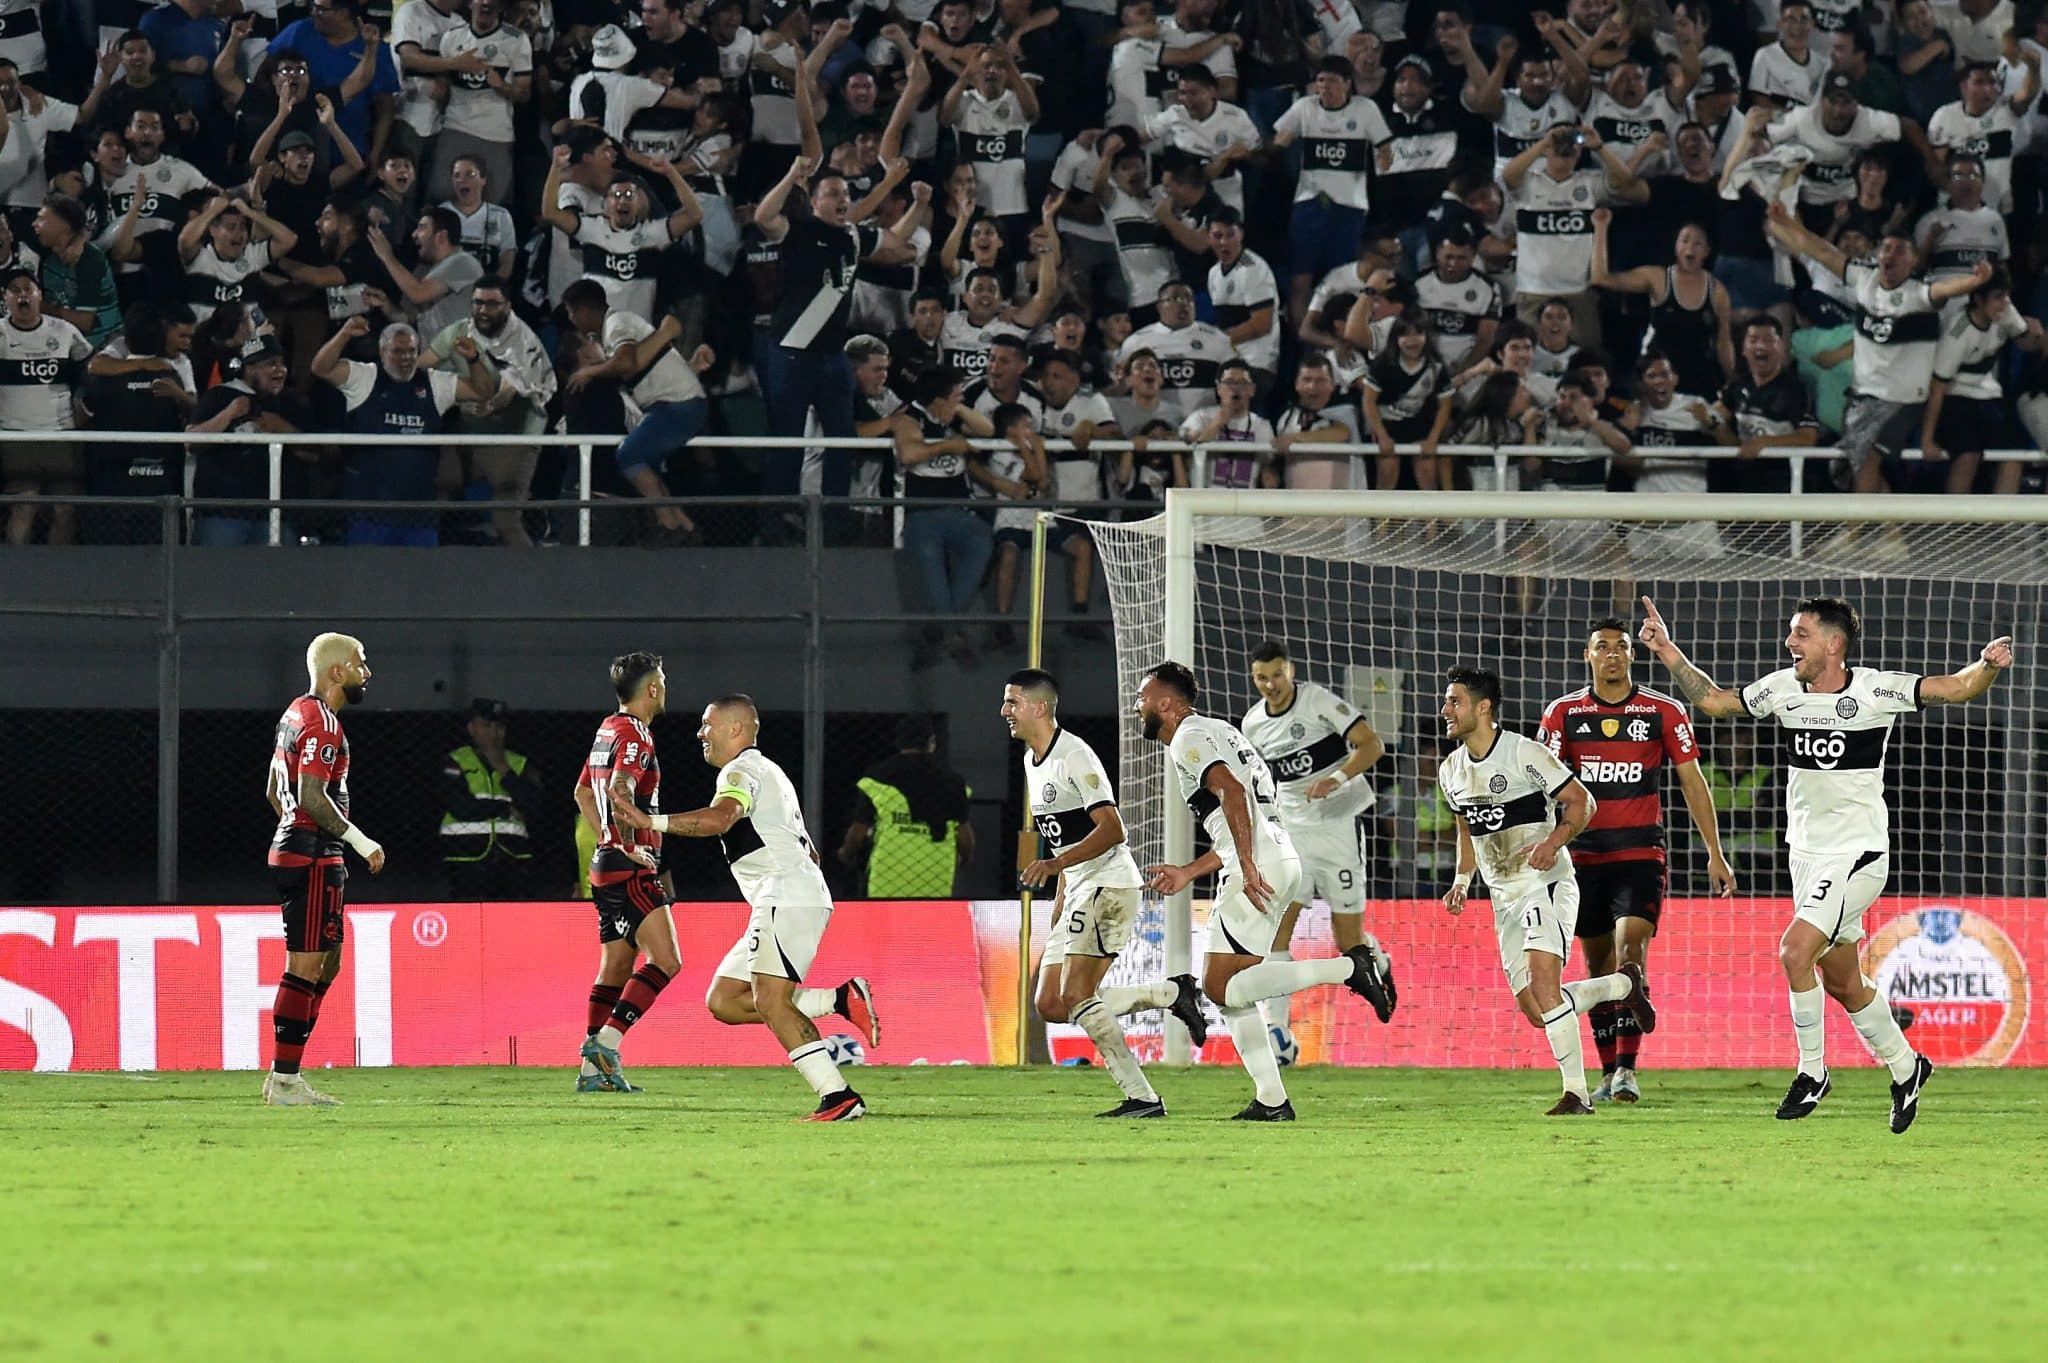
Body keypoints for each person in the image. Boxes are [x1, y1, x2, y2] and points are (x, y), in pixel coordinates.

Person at [1637, 595, 2014, 1131]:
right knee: (1842, 980)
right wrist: (1669, 650)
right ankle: (1908, 1068)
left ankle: (1812, 1072)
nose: (1790, 642)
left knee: (1794, 953)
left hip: (1858, 853)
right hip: (1807, 856)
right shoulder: (1782, 690)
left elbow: (1954, 687)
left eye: (1801, 634)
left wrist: (1988, 665)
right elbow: (1716, 703)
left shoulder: (1876, 690)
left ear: (1834, 644)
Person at [1135, 661, 1390, 1120]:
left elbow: (1233, 793)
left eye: (1144, 697)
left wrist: (1247, 865)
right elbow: (1241, 811)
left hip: (1259, 862)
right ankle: (1272, 1099)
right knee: (1232, 989)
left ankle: (1350, 967)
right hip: (1277, 852)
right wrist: (1192, 871)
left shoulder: (1189, 738)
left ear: (1168, 704)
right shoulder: (1224, 730)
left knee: (1219, 985)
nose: (1138, 706)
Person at [1437, 665, 1654, 1117]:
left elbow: (1582, 801)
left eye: (1454, 701)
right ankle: (1622, 982)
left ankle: (1576, 1095)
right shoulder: (1450, 770)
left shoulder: (1523, 753)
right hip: (1503, 899)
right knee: (1537, 1011)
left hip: (1546, 885)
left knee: (1545, 986)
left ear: (1483, 708)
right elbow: (1466, 828)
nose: (1445, 710)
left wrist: (1553, 842)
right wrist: (1461, 881)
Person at [1536, 618, 1734, 1105]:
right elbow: (1540, 785)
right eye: (1601, 647)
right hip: (1581, 860)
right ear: (1588, 656)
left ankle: (1627, 1071)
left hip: (1641, 854)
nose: (1611, 654)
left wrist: (1715, 852)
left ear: (1632, 655)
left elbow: (1693, 782)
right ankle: (1607, 1073)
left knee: (1630, 953)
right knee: (1598, 964)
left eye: (1620, 647)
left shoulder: (1663, 711)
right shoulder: (1562, 714)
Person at [1003, 668, 1207, 1117]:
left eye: (1012, 703)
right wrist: (1061, 891)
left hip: (1108, 885)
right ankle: (1171, 995)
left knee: (1076, 994)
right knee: (1052, 1004)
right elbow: (1062, 835)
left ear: (1039, 707)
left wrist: (1057, 865)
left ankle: (1142, 1097)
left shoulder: (1075, 755)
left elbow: (1113, 830)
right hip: (1077, 887)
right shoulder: (1031, 761)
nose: (1005, 712)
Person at [663, 693, 875, 1121]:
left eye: (708, 724)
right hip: (789, 894)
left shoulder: (740, 771)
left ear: (736, 729)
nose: (700, 733)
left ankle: (838, 1095)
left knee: (771, 1001)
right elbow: (810, 852)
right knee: (723, 1000)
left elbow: (719, 820)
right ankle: (837, 999)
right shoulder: (769, 772)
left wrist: (651, 821)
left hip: (785, 897)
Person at [1240, 641, 1395, 1046]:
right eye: (1262, 677)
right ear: (1253, 679)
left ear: (1290, 671)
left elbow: (1371, 745)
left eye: (1277, 674)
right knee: (1277, 933)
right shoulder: (1252, 724)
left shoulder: (1316, 701)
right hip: (1293, 834)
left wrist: (1336, 779)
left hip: (1338, 824)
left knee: (1348, 942)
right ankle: (1279, 1036)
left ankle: (1378, 959)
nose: (1270, 684)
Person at [262, 632, 387, 1106]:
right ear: (338, 671)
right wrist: (358, 841)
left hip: (308, 848)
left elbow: (275, 792)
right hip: (312, 851)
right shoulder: (321, 723)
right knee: (307, 964)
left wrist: (295, 832)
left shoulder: (295, 713)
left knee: (328, 962)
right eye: (360, 663)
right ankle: (286, 1080)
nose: (366, 673)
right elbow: (312, 797)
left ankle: (284, 1074)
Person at [575, 651, 683, 1094]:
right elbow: (620, 790)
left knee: (616, 966)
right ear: (652, 689)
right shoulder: (636, 734)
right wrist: (627, 845)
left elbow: (582, 792)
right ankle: (607, 1043)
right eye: (663, 679)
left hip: (605, 866)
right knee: (666, 960)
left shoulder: (607, 729)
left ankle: (590, 1074)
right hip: (628, 865)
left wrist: (605, 839)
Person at [311, 315, 499, 546]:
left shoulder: (434, 383)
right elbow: (320, 368)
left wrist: (474, 359)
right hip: (368, 515)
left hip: (419, 515)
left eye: (411, 351)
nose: (407, 358)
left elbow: (483, 391)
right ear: (382, 353)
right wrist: (344, 334)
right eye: (398, 352)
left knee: (419, 580)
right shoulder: (364, 377)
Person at [839, 716, 974, 897]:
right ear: (931, 743)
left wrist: (846, 855)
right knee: (930, 926)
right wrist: (963, 859)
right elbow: (965, 839)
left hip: (886, 882)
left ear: (899, 742)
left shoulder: (877, 778)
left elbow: (857, 833)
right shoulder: (952, 782)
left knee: (882, 924)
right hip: (936, 881)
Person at [438, 696, 543, 900]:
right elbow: (460, 806)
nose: (494, 734)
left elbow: (534, 807)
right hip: (465, 858)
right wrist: (506, 809)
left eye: (500, 727)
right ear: (471, 729)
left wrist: (503, 768)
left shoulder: (519, 763)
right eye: (486, 726)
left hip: (514, 860)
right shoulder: (455, 760)